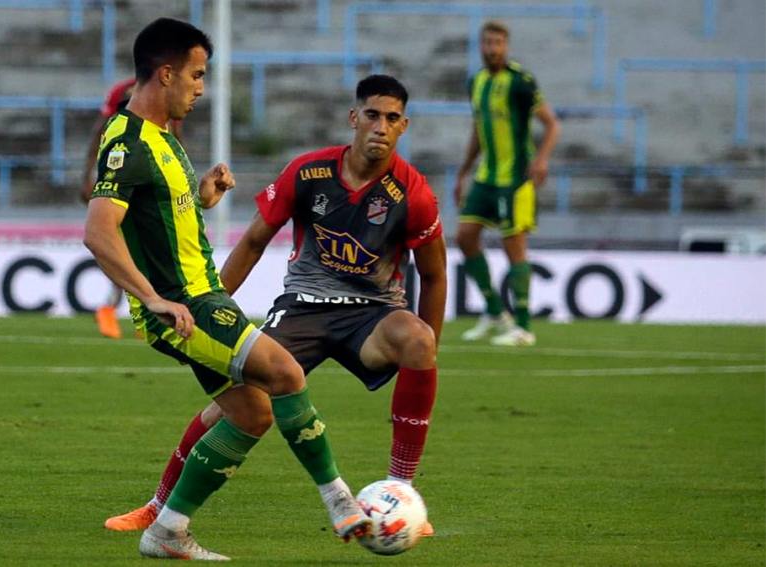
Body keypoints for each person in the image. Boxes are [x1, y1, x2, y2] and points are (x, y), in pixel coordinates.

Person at [103, 74, 447, 539]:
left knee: (418, 341)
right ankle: (158, 505)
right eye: (372, 115)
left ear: (403, 126)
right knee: (237, 405)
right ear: (354, 118)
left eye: (391, 118)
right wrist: (211, 310)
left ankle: (402, 494)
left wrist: (431, 347)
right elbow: (253, 241)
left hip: (373, 314)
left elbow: (434, 274)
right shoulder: (308, 173)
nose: (380, 127)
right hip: (303, 307)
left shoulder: (414, 193)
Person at [84, 18, 371, 560]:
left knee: (252, 413)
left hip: (201, 296)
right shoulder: (127, 141)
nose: (200, 87)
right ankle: (341, 502)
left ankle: (167, 530)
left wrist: (201, 196)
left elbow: (154, 216)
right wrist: (152, 299)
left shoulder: (164, 138)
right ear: (165, 74)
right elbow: (99, 233)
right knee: (286, 373)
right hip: (187, 306)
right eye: (196, 75)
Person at [452, 20, 560, 347]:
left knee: (514, 247)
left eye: (498, 43)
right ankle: (496, 312)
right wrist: (463, 172)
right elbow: (478, 130)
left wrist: (541, 160)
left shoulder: (520, 82)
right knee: (465, 236)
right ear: (480, 46)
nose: (492, 49)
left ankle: (524, 327)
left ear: (506, 46)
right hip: (486, 176)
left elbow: (552, 124)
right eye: (487, 42)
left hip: (515, 178)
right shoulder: (477, 82)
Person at [81, 78, 183, 339]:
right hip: (125, 174)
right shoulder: (124, 91)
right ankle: (115, 308)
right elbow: (99, 131)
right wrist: (87, 176)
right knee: (122, 244)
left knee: (148, 248)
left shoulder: (174, 91)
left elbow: (174, 136)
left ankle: (141, 314)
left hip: (156, 173)